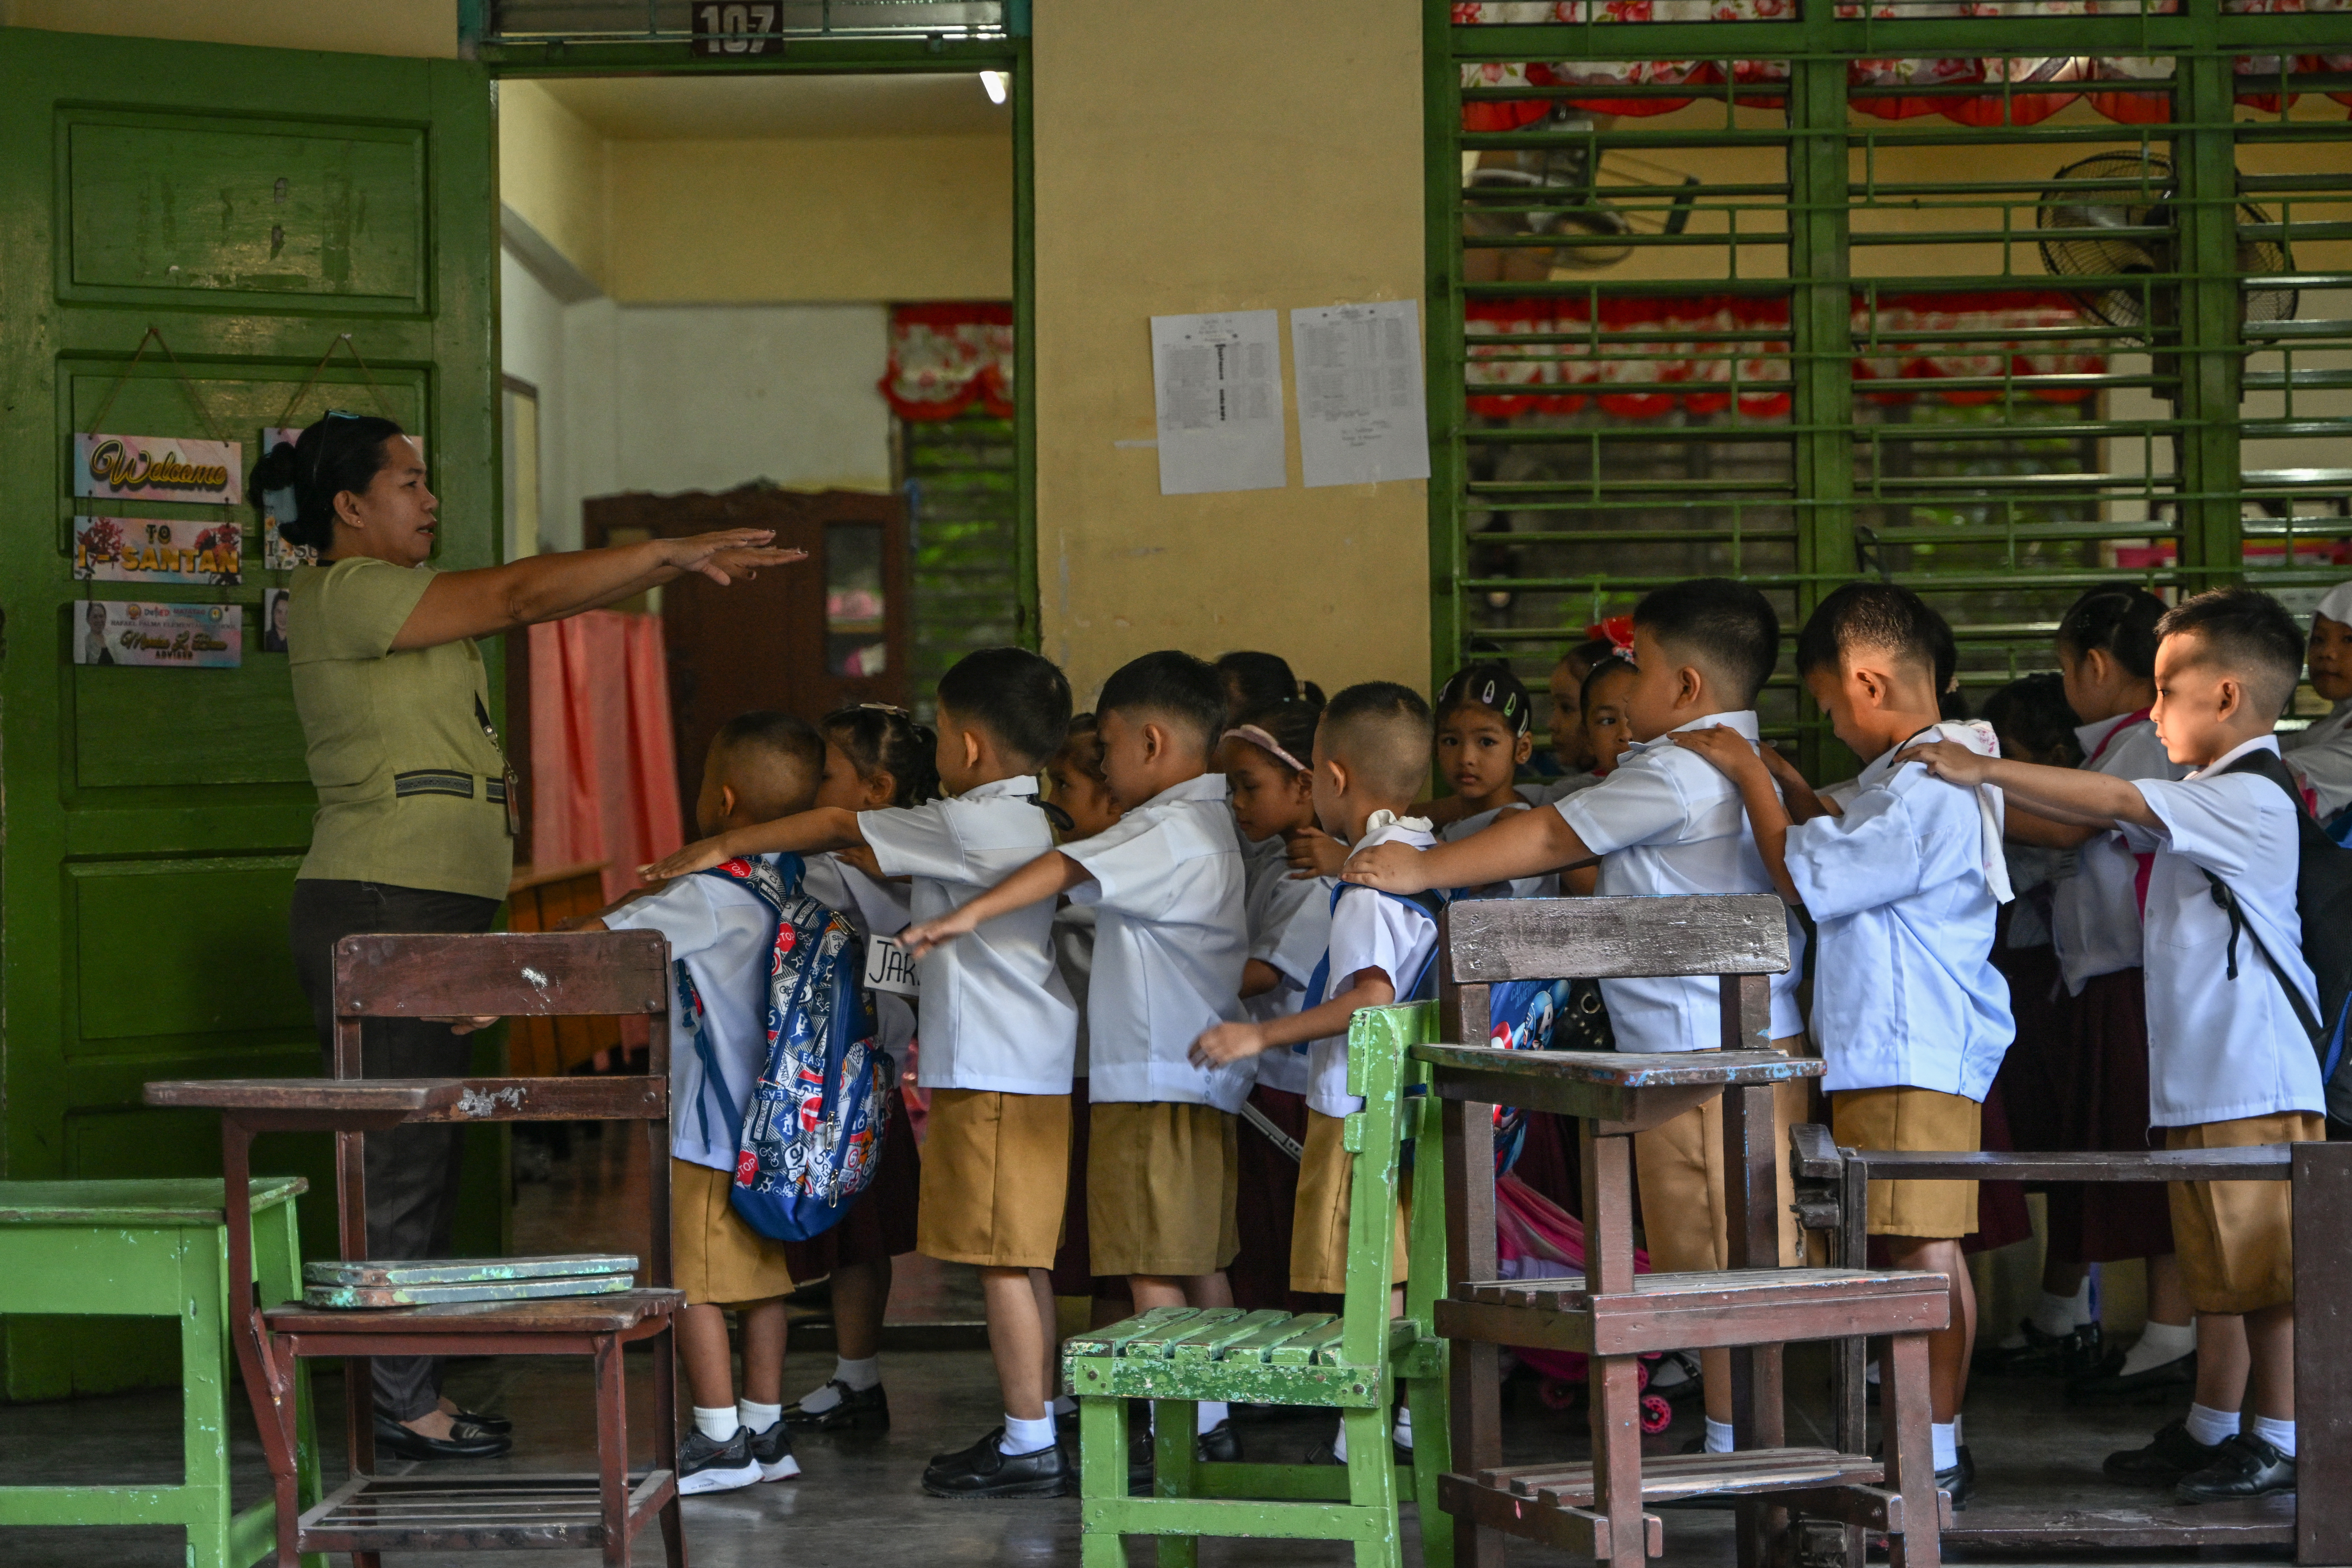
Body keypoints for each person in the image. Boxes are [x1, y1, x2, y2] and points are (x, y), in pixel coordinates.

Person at [267, 411, 799, 1460]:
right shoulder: (348, 590)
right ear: (348, 506)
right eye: (410, 482)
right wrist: (668, 552)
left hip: (426, 903)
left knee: (423, 1156)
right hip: (383, 904)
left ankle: (403, 1387)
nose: (430, 500)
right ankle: (395, 1403)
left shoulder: (398, 599)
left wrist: (666, 564)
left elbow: (523, 604)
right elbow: (518, 596)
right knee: (398, 1162)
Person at [1345, 578, 1810, 1461]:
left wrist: (1417, 869)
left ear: (1682, 689)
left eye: (1634, 667)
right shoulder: (1728, 759)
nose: (1619, 684)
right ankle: (1737, 1437)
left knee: (1711, 1257)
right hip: (1733, 1042)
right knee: (1732, 1256)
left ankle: (1736, 1444)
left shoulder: (1676, 767)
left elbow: (1556, 837)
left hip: (1693, 1056)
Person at [1902, 585, 2322, 1505]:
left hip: (2249, 1078)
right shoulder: (2207, 792)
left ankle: (2279, 1436)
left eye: (2166, 688)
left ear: (2224, 699)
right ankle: (2212, 1426)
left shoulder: (2249, 794)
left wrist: (1986, 772)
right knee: (2219, 1264)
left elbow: (2109, 797)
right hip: (2204, 1082)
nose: (2152, 707)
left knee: (2265, 1275)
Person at [642, 646, 1080, 1499]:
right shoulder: (1025, 820)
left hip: (991, 1070)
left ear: (968, 745)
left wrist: (721, 844)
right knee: (1020, 1256)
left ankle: (1029, 1437)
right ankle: (1040, 1417)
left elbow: (843, 828)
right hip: (1025, 1064)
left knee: (999, 1259)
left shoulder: (968, 819)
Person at [1678, 580, 2016, 1505]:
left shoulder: (1923, 792)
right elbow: (1844, 842)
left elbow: (1803, 874)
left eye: (1827, 706)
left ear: (1866, 682)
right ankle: (1930, 1441)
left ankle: (1934, 1452)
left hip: (1908, 1057)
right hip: (1897, 1055)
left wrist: (1749, 776)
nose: (1829, 724)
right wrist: (1790, 789)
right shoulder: (1914, 780)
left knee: (1918, 1254)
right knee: (1914, 1247)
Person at [900, 650, 1252, 1473]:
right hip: (1190, 1076)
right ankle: (1209, 1413)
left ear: (1153, 743)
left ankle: (1181, 1433)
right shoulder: (1204, 825)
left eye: (1109, 752)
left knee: (1148, 1260)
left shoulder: (1164, 827)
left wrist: (967, 915)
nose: (1102, 767)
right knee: (1192, 1256)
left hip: (1153, 1077)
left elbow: (1063, 867)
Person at [583, 714, 830, 1492]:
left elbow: (602, 942)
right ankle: (763, 1425)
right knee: (761, 1281)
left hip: (709, 1129)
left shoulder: (705, 894)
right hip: (777, 1131)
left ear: (721, 800)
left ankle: (718, 1439)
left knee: (689, 1280)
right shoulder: (797, 878)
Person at [1192, 682, 1437, 1462]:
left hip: (1352, 1104)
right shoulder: (1422, 854)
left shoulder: (1366, 883)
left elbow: (1367, 995)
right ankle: (1395, 1413)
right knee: (1393, 1265)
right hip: (1402, 1100)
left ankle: (1357, 1416)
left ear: (1330, 779)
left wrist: (1252, 1039)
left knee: (1359, 1271)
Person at [2011, 587, 2202, 1401]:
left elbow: (2066, 830)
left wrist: (1969, 787)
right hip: (2107, 981)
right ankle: (2161, 1334)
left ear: (2093, 664)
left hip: (2140, 983)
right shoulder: (2113, 745)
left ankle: (2169, 1335)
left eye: (2063, 667)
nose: (2064, 683)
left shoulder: (2138, 747)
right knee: (2125, 1151)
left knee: (2152, 1156)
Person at [782, 704, 942, 1435]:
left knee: (861, 1232)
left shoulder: (885, 858)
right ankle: (856, 1378)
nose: (805, 787)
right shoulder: (841, 856)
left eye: (824, 774)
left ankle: (855, 1377)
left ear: (876, 788)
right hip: (839, 1068)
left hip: (858, 1074)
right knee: (850, 1235)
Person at [1219, 698, 1334, 1313]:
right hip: (1264, 1075)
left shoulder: (1309, 878)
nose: (1237, 802)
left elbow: (1264, 973)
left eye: (1248, 786)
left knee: (1283, 1228)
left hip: (1289, 1081)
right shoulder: (1273, 860)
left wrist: (1173, 983)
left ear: (1304, 783)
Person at [1042, 715, 1134, 1358]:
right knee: (1094, 1242)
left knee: (1119, 1247)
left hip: (1108, 1075)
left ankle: (1123, 1382)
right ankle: (1101, 1378)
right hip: (1072, 1071)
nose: (1052, 800)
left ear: (1111, 797)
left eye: (1064, 784)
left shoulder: (1118, 873)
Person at [1431, 662, 1553, 899]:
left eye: (1486, 742)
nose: (1466, 758)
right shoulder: (1455, 828)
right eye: (1450, 741)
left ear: (1523, 749)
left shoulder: (1520, 829)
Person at [2283, 580, 2352, 831]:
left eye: (2348, 639)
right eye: (2319, 640)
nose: (2328, 653)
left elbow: (2276, 772)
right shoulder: (2337, 724)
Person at [1575, 649, 1640, 778]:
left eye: (1638, 716)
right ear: (1587, 737)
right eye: (1608, 721)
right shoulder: (1582, 795)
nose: (1626, 735)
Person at [82, 599, 114, 665]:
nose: (99, 620)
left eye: (101, 616)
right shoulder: (84, 643)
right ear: (88, 620)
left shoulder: (113, 641)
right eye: (95, 617)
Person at [262, 587, 291, 653]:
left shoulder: (299, 641)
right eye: (279, 612)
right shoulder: (266, 639)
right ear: (273, 613)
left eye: (288, 613)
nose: (283, 617)